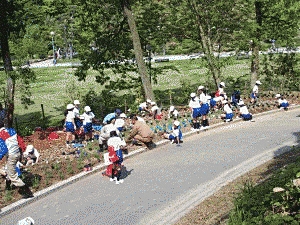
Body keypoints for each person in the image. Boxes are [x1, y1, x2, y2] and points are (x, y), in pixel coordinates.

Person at [0, 121, 33, 198]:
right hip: (17, 153)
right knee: (9, 169)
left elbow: (4, 149)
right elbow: (19, 140)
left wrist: (0, 156)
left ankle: (27, 191)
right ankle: (8, 187)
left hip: (12, 155)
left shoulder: (1, 135)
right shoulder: (11, 130)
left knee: (12, 175)